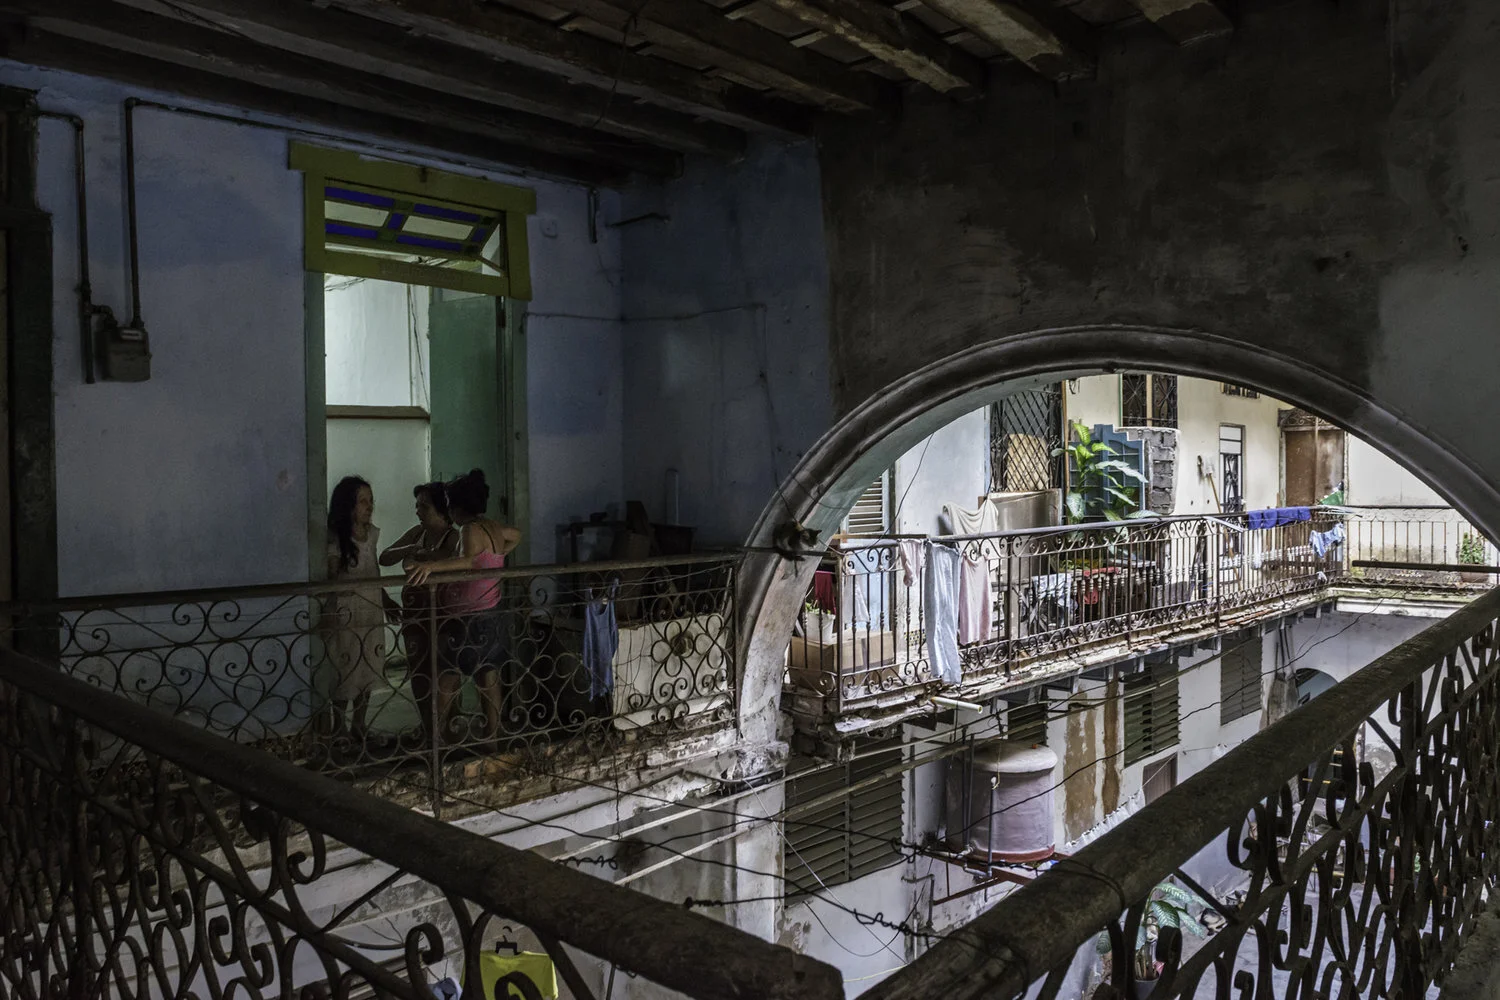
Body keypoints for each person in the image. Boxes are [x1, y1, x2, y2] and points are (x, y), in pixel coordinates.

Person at [405, 469, 521, 742]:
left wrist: (430, 566)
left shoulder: (469, 528)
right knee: (487, 673)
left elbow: (469, 560)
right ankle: (492, 736)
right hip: (490, 610)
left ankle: (434, 736)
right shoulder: (491, 526)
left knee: (446, 674)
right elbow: (516, 534)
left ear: (456, 507)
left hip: (468, 615)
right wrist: (498, 556)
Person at [380, 482, 459, 745]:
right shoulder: (417, 533)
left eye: (424, 507)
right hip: (415, 613)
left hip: (443, 613)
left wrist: (420, 557)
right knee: (419, 671)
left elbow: (444, 558)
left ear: (441, 510)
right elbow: (385, 557)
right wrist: (409, 550)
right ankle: (428, 727)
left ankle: (445, 726)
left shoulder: (453, 537)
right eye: (417, 506)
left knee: (444, 671)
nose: (417, 511)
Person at [323, 476, 387, 740]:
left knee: (368, 664)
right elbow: (332, 576)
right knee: (345, 666)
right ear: (347, 505)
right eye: (363, 501)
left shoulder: (372, 534)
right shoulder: (336, 537)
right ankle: (339, 726)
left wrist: (386, 599)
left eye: (371, 501)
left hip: (371, 609)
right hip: (346, 611)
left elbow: (375, 570)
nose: (369, 506)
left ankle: (359, 724)